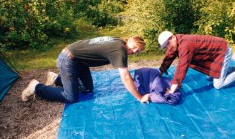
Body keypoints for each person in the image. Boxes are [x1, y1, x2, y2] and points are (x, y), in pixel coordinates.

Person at [21, 36, 150, 103]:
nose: (133, 51)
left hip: (79, 62)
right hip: (68, 60)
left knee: (87, 90)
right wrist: (139, 97)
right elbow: (125, 77)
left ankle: (56, 78)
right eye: (134, 47)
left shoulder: (119, 42)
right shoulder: (120, 50)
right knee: (71, 98)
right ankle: (37, 87)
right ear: (130, 41)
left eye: (137, 51)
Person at [157, 31, 235, 94]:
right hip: (213, 55)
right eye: (166, 46)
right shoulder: (176, 42)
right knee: (209, 77)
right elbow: (169, 56)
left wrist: (173, 89)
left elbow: (182, 67)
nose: (168, 47)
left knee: (218, 85)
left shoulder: (185, 45)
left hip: (222, 51)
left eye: (168, 44)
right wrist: (161, 71)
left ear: (172, 37)